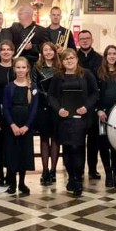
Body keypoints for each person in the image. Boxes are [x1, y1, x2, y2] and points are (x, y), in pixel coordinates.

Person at [48, 49, 99, 197]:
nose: (69, 61)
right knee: (68, 148)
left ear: (77, 59)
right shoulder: (58, 76)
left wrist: (86, 107)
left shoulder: (87, 74)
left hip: (81, 118)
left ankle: (78, 179)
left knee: (78, 147)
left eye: (72, 58)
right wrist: (58, 110)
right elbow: (52, 96)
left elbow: (95, 93)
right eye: (66, 59)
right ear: (62, 62)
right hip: (64, 118)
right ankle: (71, 176)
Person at [3, 57, 39, 195]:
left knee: (24, 153)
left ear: (28, 69)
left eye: (23, 67)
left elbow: (34, 109)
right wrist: (12, 125)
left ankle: (22, 183)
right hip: (12, 124)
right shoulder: (9, 87)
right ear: (14, 69)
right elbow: (5, 108)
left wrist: (26, 126)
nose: (21, 70)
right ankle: (12, 183)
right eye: (18, 67)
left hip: (26, 125)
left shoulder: (33, 87)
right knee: (12, 153)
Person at [96, 45, 116, 188]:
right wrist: (99, 110)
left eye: (114, 54)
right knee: (104, 144)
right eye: (109, 54)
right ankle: (108, 174)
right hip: (103, 114)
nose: (112, 56)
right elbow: (95, 94)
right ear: (105, 56)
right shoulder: (99, 72)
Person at [34, 41, 62, 186]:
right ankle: (44, 170)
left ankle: (53, 170)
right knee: (44, 139)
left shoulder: (60, 67)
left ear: (55, 52)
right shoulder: (37, 67)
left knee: (56, 139)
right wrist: (44, 94)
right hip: (43, 107)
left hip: (57, 108)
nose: (48, 52)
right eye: (45, 50)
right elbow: (32, 86)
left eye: (51, 50)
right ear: (42, 52)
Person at [76, 30, 102, 180]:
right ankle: (77, 169)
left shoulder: (99, 58)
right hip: (77, 103)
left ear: (92, 40)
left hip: (93, 104)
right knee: (77, 140)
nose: (85, 41)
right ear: (78, 41)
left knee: (93, 140)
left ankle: (92, 168)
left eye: (87, 38)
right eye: (82, 39)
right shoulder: (74, 57)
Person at [0, 40, 16, 187]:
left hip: (15, 112)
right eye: (3, 49)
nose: (6, 52)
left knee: (12, 145)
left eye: (9, 49)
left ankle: (11, 175)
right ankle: (0, 175)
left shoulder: (18, 67)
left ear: (13, 51)